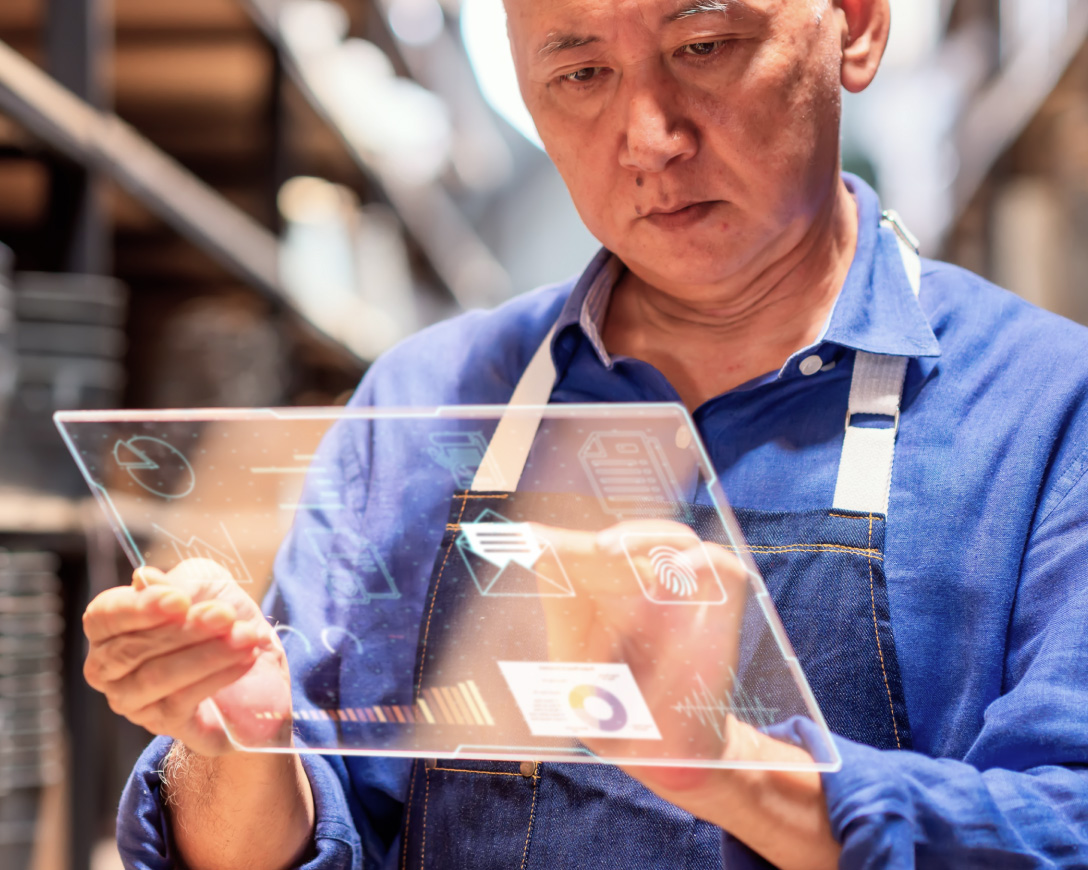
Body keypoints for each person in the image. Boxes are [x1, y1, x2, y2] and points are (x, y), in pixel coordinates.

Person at [82, 0, 1088, 866]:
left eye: (702, 45)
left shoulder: (1044, 407)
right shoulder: (424, 400)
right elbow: (296, 843)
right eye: (579, 72)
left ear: (855, 27)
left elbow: (1065, 822)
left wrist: (725, 766)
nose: (647, 134)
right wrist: (234, 744)